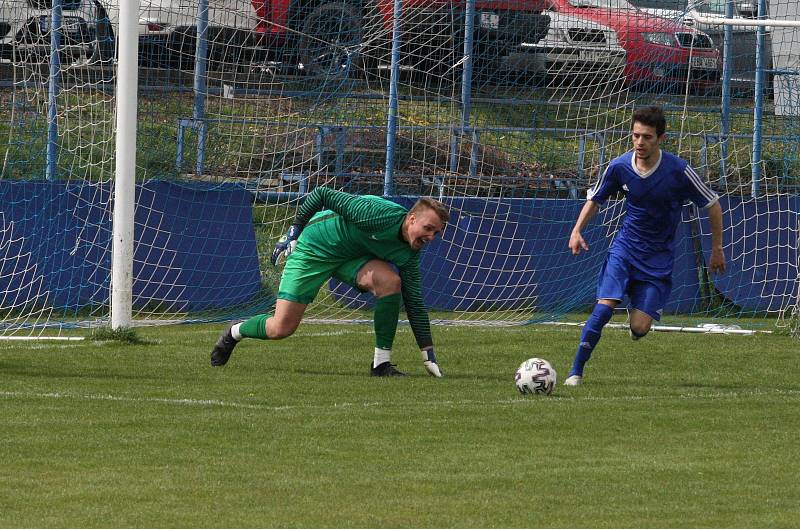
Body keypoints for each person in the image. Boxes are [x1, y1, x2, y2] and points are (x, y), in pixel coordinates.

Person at [210, 186, 449, 377]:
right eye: (428, 228)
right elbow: (322, 193)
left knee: (390, 282)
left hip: (352, 257)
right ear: (412, 218)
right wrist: (294, 231)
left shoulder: (410, 253)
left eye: (436, 233)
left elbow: (415, 303)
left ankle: (381, 365)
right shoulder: (376, 214)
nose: (431, 237)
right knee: (281, 328)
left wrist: (428, 354)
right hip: (315, 246)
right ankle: (235, 331)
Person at [564, 106, 726, 386]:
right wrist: (577, 230)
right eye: (636, 136)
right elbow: (595, 199)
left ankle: (637, 320)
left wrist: (717, 248)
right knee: (603, 309)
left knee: (640, 328)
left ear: (660, 138)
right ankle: (575, 372)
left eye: (647, 137)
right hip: (624, 250)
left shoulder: (679, 170)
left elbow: (713, 205)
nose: (640, 142)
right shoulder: (619, 167)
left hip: (658, 260)